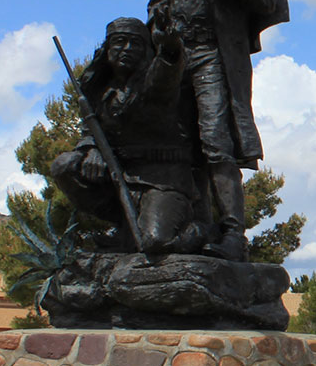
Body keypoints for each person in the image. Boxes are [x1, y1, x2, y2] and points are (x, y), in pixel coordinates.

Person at [146, 0, 289, 261]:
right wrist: (159, 20)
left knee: (216, 143)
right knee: (172, 143)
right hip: (176, 53)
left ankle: (231, 234)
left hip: (214, 52)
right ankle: (188, 225)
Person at [50, 18, 203, 255]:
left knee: (154, 242)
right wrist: (92, 149)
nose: (128, 49)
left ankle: (202, 232)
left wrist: (170, 50)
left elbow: (165, 77)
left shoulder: (153, 82)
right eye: (120, 43)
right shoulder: (99, 89)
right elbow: (90, 130)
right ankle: (123, 228)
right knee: (64, 165)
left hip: (160, 180)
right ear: (108, 49)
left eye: (136, 44)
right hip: (118, 177)